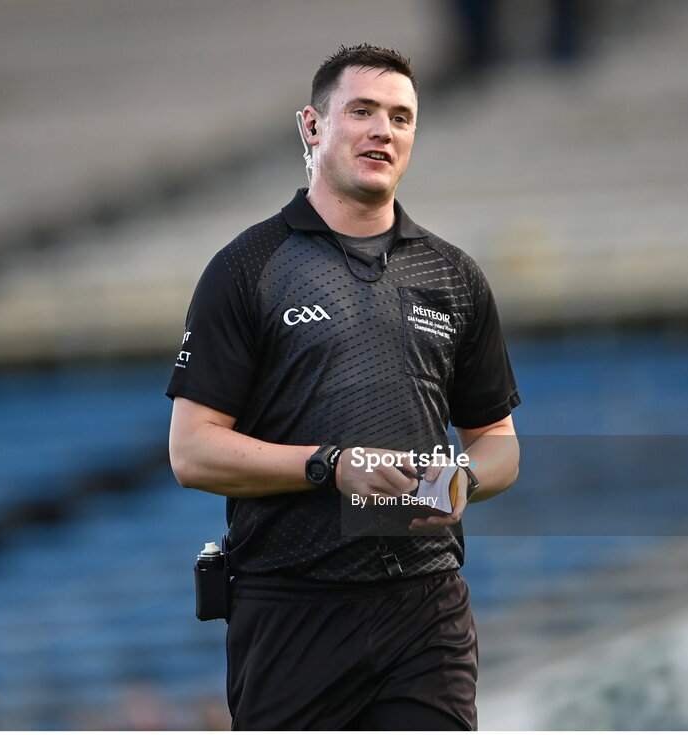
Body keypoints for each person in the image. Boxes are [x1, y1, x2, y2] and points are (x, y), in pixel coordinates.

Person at [167, 43, 520, 730]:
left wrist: (457, 480)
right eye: (361, 111)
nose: (383, 130)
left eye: (400, 117)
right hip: (292, 609)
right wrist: (333, 466)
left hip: (426, 606)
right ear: (312, 126)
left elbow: (499, 445)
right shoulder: (247, 268)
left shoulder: (454, 276)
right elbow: (192, 452)